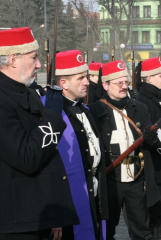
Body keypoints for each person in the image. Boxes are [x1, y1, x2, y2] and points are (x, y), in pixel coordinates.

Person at [0, 27, 79, 239]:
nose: (39, 64)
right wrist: (52, 117)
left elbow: (47, 159)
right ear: (13, 59)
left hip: (37, 216)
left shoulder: (24, 93)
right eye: (34, 58)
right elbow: (27, 157)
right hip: (16, 222)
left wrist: (55, 216)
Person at [88, 60, 160, 240]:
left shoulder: (139, 108)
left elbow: (149, 140)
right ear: (105, 85)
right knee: (106, 229)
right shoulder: (94, 111)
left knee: (142, 230)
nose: (124, 87)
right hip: (110, 179)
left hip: (136, 177)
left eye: (126, 82)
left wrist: (151, 138)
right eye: (118, 83)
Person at [51, 50, 108, 239]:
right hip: (69, 199)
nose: (87, 82)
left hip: (94, 190)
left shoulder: (84, 108)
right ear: (63, 83)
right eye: (80, 78)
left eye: (86, 76)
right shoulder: (50, 111)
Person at [135, 57, 161, 240]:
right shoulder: (140, 99)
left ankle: (160, 236)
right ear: (148, 78)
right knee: (153, 208)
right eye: (160, 75)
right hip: (152, 160)